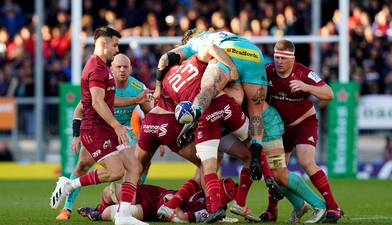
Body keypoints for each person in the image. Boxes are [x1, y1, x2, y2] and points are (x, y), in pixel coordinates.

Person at [154, 28, 282, 221]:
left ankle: (194, 114)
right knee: (252, 114)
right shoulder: (219, 35)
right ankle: (243, 193)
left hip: (214, 100)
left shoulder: (192, 47)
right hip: (253, 55)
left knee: (209, 91)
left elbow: (166, 59)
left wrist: (156, 88)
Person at [49, 26, 147, 225]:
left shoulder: (104, 67)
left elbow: (108, 101)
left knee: (134, 166)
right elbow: (96, 102)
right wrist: (117, 126)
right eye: (115, 45)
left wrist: (134, 100)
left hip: (106, 129)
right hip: (95, 130)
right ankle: (69, 186)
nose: (117, 49)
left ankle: (123, 215)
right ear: (103, 44)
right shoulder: (95, 68)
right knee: (115, 171)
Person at [265, 39, 343, 223]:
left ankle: (333, 207)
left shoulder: (303, 73)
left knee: (305, 161)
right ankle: (273, 210)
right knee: (276, 172)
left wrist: (307, 87)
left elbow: (329, 93)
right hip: (280, 130)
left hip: (303, 124)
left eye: (283, 58)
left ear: (292, 59)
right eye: (276, 57)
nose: (279, 62)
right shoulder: (267, 71)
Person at [76, 177, 238, 223]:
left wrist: (173, 206)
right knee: (109, 191)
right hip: (152, 192)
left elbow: (183, 218)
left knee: (117, 212)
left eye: (216, 188)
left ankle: (97, 215)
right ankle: (98, 209)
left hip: (152, 210)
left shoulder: (207, 210)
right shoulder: (203, 189)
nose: (212, 187)